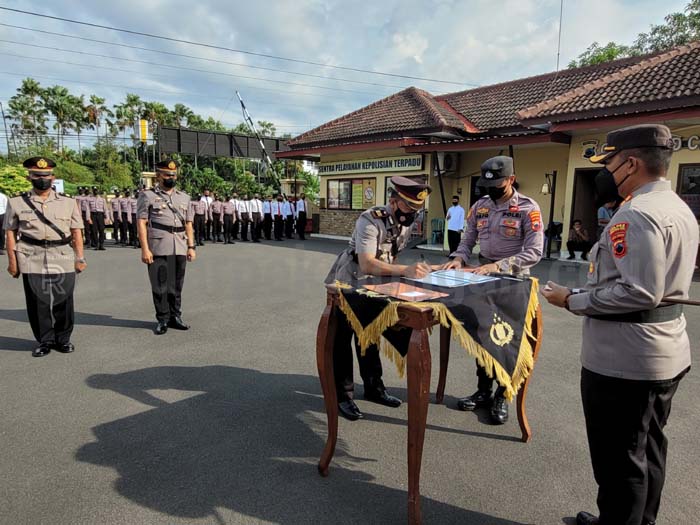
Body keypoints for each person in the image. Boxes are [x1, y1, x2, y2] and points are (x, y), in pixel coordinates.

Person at [541, 124, 698, 525]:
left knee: (619, 461)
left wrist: (571, 299)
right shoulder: (677, 207)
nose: (605, 171)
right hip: (661, 351)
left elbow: (639, 292)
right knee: (647, 450)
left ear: (630, 163)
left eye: (609, 162)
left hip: (626, 360)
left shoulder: (638, 214)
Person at [443, 155, 543, 424]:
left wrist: (497, 267)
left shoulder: (527, 208)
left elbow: (534, 252)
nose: (492, 189)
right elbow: (468, 240)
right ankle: (483, 391)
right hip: (481, 278)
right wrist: (458, 258)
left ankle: (503, 394)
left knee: (508, 340)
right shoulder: (480, 207)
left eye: (497, 183)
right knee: (482, 336)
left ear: (511, 179)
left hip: (514, 282)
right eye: (487, 184)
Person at [325, 176, 433, 421]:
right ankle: (342, 395)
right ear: (394, 202)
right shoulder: (370, 219)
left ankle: (374, 387)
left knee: (370, 334)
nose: (413, 213)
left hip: (375, 284)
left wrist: (403, 276)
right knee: (343, 339)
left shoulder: (405, 223)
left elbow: (389, 258)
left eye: (417, 208)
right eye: (409, 207)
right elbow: (367, 262)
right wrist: (405, 271)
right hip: (349, 281)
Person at [3, 157, 86, 357]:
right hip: (31, 256)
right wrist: (12, 262)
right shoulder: (16, 202)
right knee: (37, 302)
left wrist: (80, 258)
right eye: (37, 175)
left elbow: (76, 232)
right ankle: (45, 340)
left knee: (63, 300)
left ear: (53, 177)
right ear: (29, 177)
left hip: (62, 255)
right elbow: (10, 233)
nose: (42, 178)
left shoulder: (68, 202)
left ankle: (63, 339)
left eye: (46, 175)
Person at [137, 159, 197, 335]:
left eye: (173, 174)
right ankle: (162, 319)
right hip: (158, 245)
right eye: (167, 174)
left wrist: (191, 246)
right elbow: (141, 223)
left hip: (179, 245)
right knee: (160, 284)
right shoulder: (147, 195)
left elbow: (188, 224)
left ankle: (175, 317)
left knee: (176, 285)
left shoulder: (184, 197)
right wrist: (145, 249)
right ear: (158, 176)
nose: (170, 177)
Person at [89, 186, 107, 250]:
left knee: (101, 230)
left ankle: (101, 244)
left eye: (96, 190)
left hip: (100, 215)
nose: (95, 191)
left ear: (98, 191)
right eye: (94, 190)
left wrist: (106, 218)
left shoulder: (102, 199)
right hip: (93, 215)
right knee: (94, 231)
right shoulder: (89, 199)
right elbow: (88, 209)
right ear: (93, 191)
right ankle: (96, 244)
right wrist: (89, 218)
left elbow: (105, 209)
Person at [0, 189, 7, 255]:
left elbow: (6, 206)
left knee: (2, 232)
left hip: (2, 214)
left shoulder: (3, 196)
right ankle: (1, 248)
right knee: (2, 231)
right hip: (2, 214)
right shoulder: (3, 196)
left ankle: (1, 248)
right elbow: (6, 206)